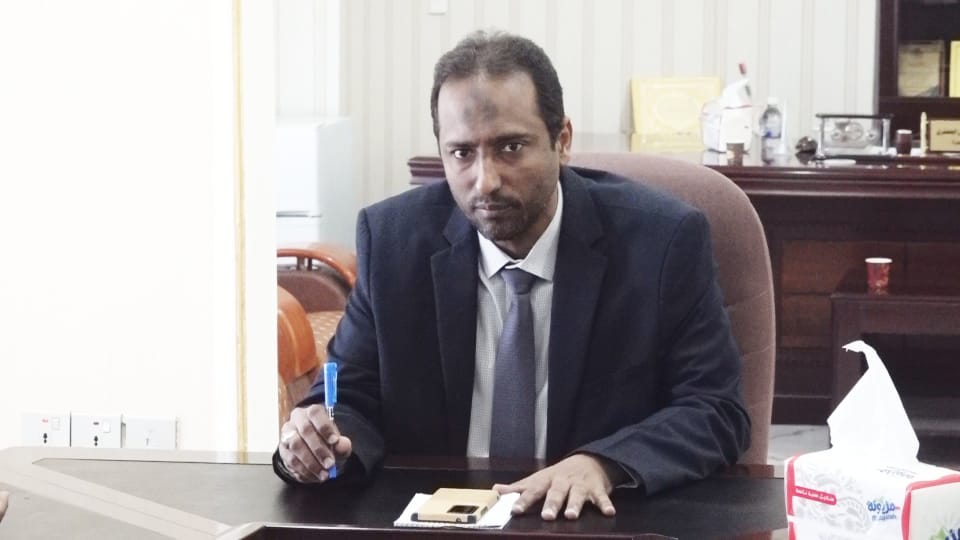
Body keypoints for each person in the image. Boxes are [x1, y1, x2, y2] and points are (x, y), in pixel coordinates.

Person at [275, 30, 750, 521]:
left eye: (511, 147)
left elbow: (715, 410)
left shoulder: (661, 243)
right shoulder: (393, 241)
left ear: (562, 140)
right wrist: (319, 440)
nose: (486, 181)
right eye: (462, 153)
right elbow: (350, 396)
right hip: (438, 521)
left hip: (588, 521)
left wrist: (604, 464)